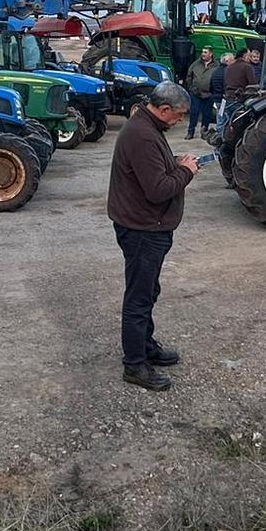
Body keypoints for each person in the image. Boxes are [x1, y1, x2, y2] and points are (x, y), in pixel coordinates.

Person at [108, 81, 200, 391]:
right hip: (143, 230)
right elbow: (158, 190)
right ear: (163, 110)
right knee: (139, 297)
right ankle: (135, 365)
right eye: (179, 115)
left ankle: (145, 346)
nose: (180, 121)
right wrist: (185, 172)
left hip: (147, 227)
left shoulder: (146, 128)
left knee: (148, 291)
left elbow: (151, 173)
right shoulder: (143, 136)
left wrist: (173, 164)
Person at [187, 46, 219, 139]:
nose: (203, 54)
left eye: (205, 52)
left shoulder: (216, 65)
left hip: (209, 94)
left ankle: (204, 132)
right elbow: (189, 76)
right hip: (195, 93)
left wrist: (213, 91)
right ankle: (190, 132)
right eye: (202, 52)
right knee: (194, 113)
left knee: (207, 114)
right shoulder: (196, 64)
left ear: (211, 54)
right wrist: (191, 88)